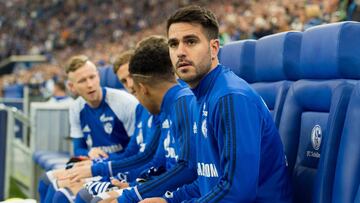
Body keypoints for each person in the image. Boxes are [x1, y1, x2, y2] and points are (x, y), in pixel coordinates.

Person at [142, 5, 292, 203]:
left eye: (191, 41)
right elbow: (207, 181)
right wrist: (168, 200)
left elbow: (236, 192)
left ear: (213, 48)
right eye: (173, 44)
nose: (180, 52)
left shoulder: (230, 98)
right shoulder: (200, 96)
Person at [100, 35, 197, 203]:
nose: (130, 87)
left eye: (134, 88)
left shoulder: (183, 103)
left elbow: (189, 170)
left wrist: (133, 194)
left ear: (142, 89)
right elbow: (158, 160)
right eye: (124, 81)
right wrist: (136, 185)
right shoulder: (169, 105)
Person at [38, 55, 138, 203]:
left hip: (121, 166)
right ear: (72, 87)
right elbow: (78, 149)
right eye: (82, 81)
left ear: (98, 76)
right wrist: (89, 153)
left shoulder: (124, 102)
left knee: (61, 194)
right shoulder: (76, 108)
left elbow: (137, 151)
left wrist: (100, 163)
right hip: (97, 164)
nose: (90, 84)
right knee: (46, 180)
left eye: (92, 77)